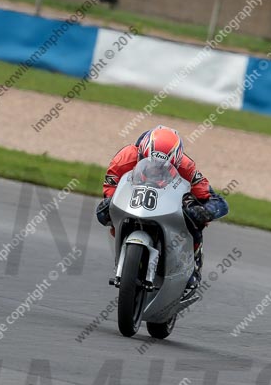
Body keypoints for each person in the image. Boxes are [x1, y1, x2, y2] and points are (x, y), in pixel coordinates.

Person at [96, 125, 229, 295]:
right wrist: (110, 202)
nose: (154, 169)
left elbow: (216, 201)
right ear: (141, 154)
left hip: (168, 201)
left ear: (176, 162)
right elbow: (111, 185)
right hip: (134, 197)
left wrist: (204, 211)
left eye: (162, 166)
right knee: (102, 214)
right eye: (149, 163)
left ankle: (193, 266)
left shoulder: (186, 167)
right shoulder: (125, 157)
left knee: (193, 213)